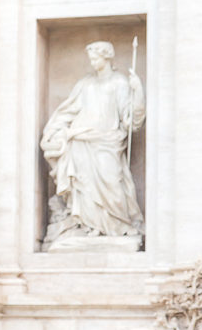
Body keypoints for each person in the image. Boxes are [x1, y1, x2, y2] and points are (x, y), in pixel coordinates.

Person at [40, 40, 145, 246]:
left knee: (112, 182)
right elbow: (68, 111)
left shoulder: (120, 83)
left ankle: (116, 225)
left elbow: (130, 119)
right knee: (84, 187)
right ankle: (88, 226)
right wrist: (55, 131)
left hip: (108, 142)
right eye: (91, 58)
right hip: (81, 142)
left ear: (107, 58)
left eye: (96, 58)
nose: (92, 62)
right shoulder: (85, 84)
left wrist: (138, 91)